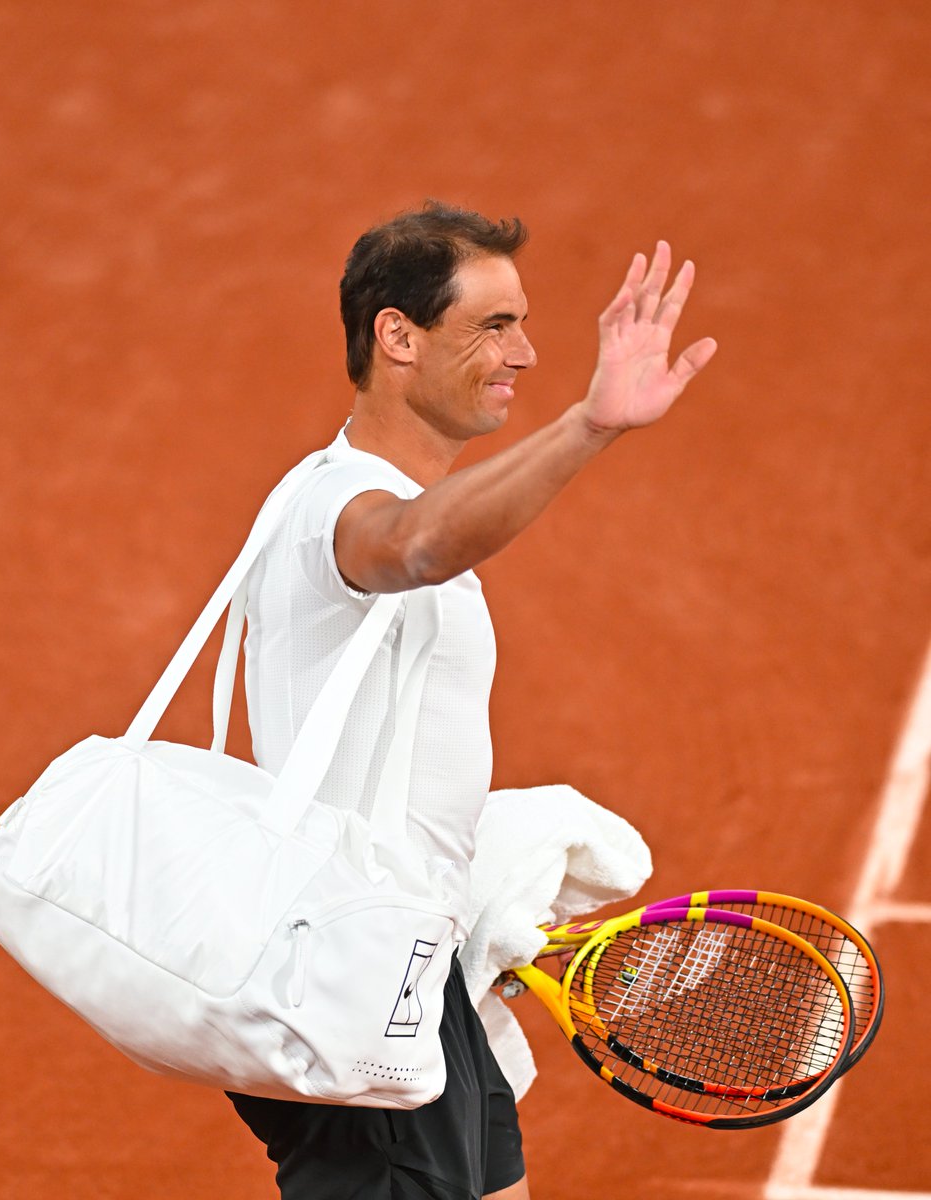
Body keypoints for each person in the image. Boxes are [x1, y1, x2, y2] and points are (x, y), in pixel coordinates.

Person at [226, 201, 717, 1200]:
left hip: (416, 965)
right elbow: (409, 543)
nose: (526, 352)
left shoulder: (367, 502)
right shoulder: (339, 505)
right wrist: (592, 424)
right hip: (355, 984)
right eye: (493, 324)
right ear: (395, 335)